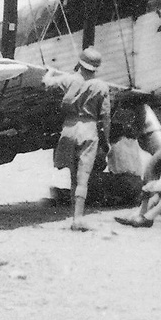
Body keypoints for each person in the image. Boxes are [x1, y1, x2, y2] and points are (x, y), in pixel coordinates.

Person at [44, 46, 112, 231]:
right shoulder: (101, 86)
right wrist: (106, 141)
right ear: (95, 68)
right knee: (83, 178)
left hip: (68, 129)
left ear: (80, 63)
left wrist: (50, 71)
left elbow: (47, 82)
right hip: (88, 131)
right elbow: (105, 117)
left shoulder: (68, 79)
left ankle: (75, 217)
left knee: (73, 176)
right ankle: (77, 219)